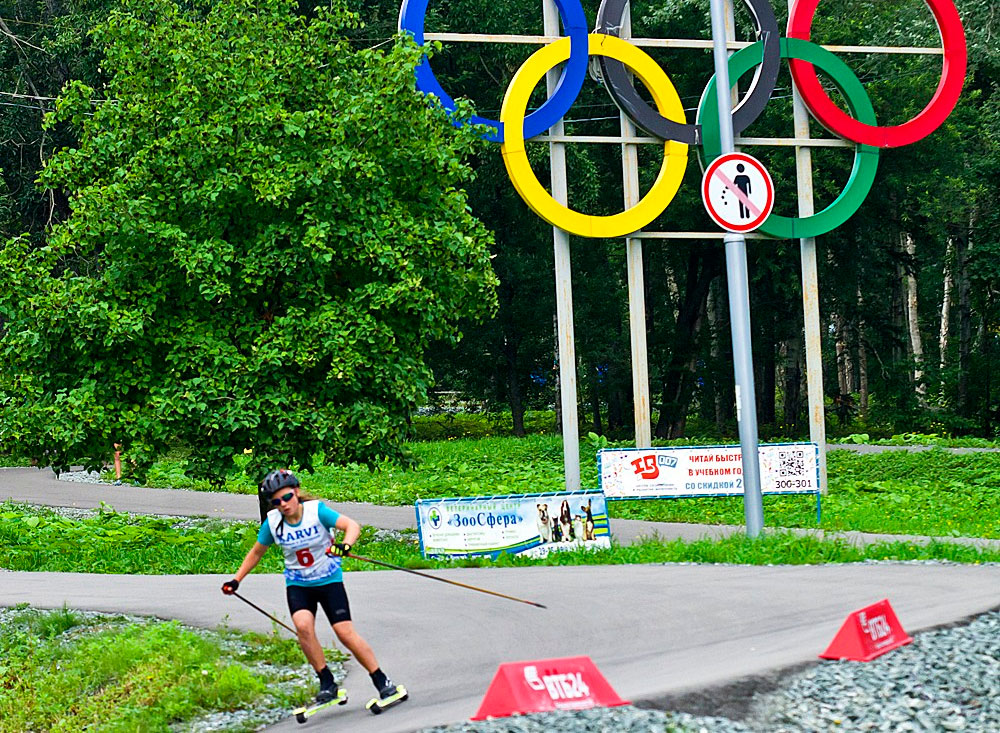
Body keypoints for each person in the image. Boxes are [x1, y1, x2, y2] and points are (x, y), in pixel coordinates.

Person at [222, 469, 404, 707]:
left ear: (296, 492)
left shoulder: (316, 512)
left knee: (344, 633)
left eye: (287, 497)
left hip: (328, 580)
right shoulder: (273, 523)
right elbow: (256, 553)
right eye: (276, 502)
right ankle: (327, 682)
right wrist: (236, 580)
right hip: (299, 584)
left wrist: (345, 545)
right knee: (303, 627)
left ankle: (382, 681)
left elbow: (351, 525)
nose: (283, 505)